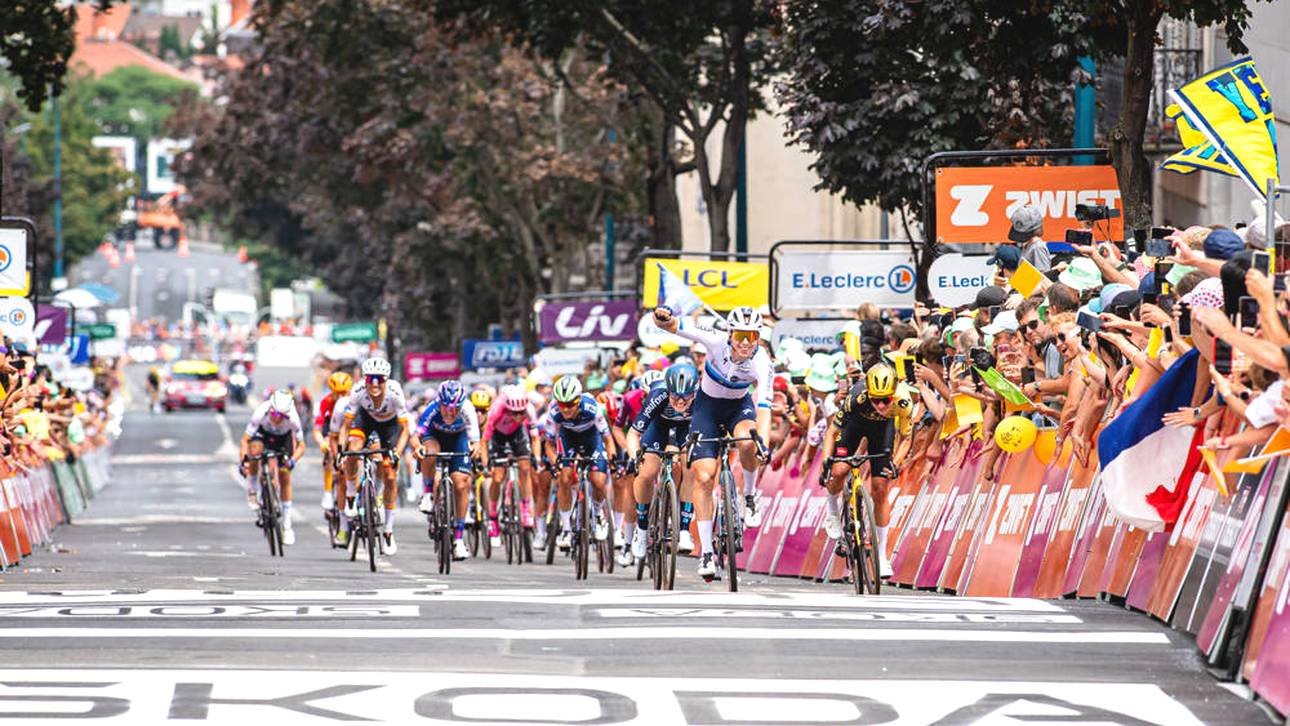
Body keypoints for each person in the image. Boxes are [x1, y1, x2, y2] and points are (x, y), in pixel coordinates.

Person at [652, 305, 770, 581]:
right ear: (729, 334)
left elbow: (764, 406)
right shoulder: (715, 339)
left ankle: (749, 496)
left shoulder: (762, 361)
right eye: (740, 335)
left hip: (738, 407)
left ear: (758, 337)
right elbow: (671, 326)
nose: (745, 342)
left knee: (748, 443)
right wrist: (662, 317)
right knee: (704, 477)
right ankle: (706, 552)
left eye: (752, 336)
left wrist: (762, 441)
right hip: (707, 408)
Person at [820, 363, 913, 579]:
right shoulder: (857, 398)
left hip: (882, 430)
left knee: (880, 489)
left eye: (885, 400)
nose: (880, 405)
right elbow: (832, 431)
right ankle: (832, 511)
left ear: (894, 394)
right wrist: (826, 463)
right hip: (854, 426)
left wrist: (896, 463)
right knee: (839, 470)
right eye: (875, 400)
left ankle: (881, 556)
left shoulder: (903, 402)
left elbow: (907, 438)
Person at [624, 362, 699, 564]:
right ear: (668, 391)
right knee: (646, 473)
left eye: (686, 396)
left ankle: (684, 530)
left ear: (694, 391)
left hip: (687, 428)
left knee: (690, 467)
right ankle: (641, 529)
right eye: (675, 396)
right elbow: (633, 433)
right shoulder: (658, 395)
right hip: (658, 427)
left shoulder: (702, 397)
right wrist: (634, 458)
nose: (680, 402)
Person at [340, 357, 415, 556]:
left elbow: (405, 430)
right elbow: (345, 426)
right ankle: (350, 496)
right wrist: (341, 450)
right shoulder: (358, 391)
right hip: (365, 420)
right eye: (370, 378)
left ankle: (388, 531)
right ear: (365, 379)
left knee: (390, 473)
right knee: (353, 450)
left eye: (379, 379)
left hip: (390, 426)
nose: (374, 383)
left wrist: (397, 453)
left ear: (386, 380)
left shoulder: (395, 393)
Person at [546, 375, 617, 551]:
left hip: (592, 438)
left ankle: (598, 515)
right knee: (564, 478)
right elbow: (549, 444)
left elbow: (608, 439)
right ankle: (566, 529)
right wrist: (555, 463)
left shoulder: (592, 408)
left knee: (598, 480)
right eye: (562, 404)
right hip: (568, 438)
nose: (565, 409)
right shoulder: (553, 412)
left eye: (570, 404)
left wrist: (612, 460)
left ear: (578, 401)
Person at [415, 380, 479, 561]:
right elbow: (416, 436)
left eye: (455, 408)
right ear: (440, 403)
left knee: (461, 484)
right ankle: (428, 494)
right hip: (434, 437)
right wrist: (418, 448)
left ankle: (458, 539)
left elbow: (476, 442)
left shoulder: (468, 409)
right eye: (446, 407)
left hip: (458, 439)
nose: (450, 412)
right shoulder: (431, 408)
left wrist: (475, 448)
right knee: (431, 451)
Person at [239, 390, 306, 545]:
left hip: (283, 439)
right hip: (262, 435)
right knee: (254, 451)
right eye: (275, 414)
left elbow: (301, 446)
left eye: (282, 416)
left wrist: (292, 461)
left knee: (284, 474)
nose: (277, 418)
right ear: (270, 409)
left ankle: (287, 526)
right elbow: (244, 441)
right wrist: (244, 462)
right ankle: (253, 488)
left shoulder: (293, 419)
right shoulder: (260, 413)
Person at [478, 385, 541, 548]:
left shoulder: (529, 409)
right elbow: (484, 441)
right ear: (507, 408)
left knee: (525, 467)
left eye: (521, 413)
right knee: (497, 477)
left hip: (517, 434)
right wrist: (486, 463)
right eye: (514, 413)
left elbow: (535, 438)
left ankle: (525, 508)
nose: (518, 416)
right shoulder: (496, 410)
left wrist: (537, 458)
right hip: (498, 437)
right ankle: (493, 518)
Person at [315, 371, 352, 513]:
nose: (340, 396)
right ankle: (328, 492)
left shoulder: (354, 400)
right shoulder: (326, 402)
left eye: (343, 393)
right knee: (330, 454)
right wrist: (322, 443)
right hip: (331, 428)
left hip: (348, 428)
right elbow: (317, 429)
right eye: (337, 393)